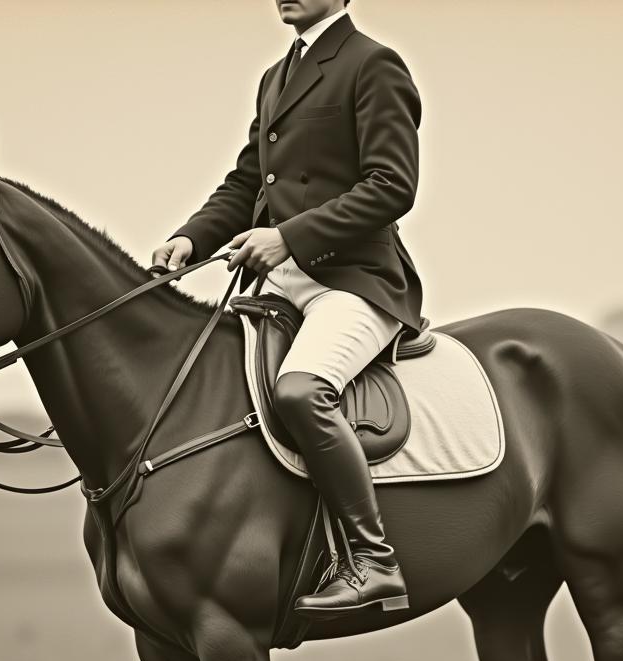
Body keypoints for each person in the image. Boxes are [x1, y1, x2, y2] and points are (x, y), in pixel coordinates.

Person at [152, 0, 424, 618]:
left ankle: (372, 560)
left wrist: (288, 237)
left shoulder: (373, 65)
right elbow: (247, 183)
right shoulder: (277, 75)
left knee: (301, 391)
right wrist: (192, 237)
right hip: (279, 285)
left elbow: (392, 186)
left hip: (354, 282)